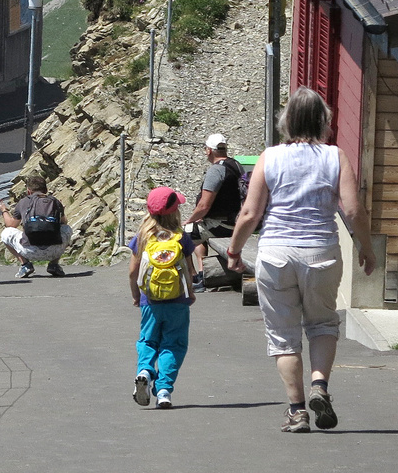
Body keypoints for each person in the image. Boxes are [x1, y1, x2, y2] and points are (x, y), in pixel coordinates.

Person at [227, 87, 375, 433]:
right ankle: (320, 386)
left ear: (287, 121)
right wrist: (366, 248)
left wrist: (234, 250)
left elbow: (250, 212)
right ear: (324, 120)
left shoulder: (270, 157)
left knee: (283, 335)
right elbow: (353, 210)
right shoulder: (335, 157)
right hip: (321, 251)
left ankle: (297, 411)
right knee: (322, 324)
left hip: (276, 253)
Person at [129, 186, 196, 409]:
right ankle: (164, 390)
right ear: (175, 211)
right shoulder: (181, 238)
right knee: (173, 344)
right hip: (178, 301)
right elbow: (189, 270)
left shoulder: (143, 238)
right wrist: (191, 294)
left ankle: (145, 372)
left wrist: (136, 296)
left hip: (151, 301)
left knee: (148, 340)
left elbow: (132, 271)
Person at [185, 132, 244, 291]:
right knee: (198, 230)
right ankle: (204, 273)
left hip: (221, 224)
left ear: (209, 150)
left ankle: (193, 279)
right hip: (237, 221)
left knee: (181, 237)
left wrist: (189, 220)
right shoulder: (236, 165)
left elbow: (204, 206)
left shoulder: (216, 170)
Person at [0, 174, 70, 278]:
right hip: (54, 250)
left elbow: (11, 225)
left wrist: (4, 210)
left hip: (29, 251)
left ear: (28, 191)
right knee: (67, 229)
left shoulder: (23, 202)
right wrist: (60, 209)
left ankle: (25, 264)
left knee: (6, 233)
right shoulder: (55, 201)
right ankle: (54, 264)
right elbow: (64, 222)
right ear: (45, 190)